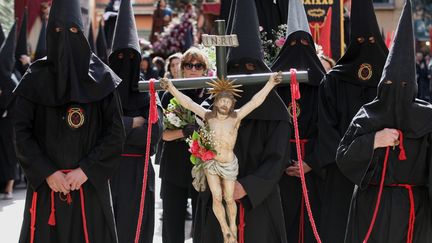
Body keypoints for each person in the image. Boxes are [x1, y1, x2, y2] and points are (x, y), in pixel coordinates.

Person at [13, 0, 125, 242]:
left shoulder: (102, 78)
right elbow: (21, 133)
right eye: (57, 31)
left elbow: (115, 133)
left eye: (73, 31)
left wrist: (85, 170)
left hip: (89, 187)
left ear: (81, 33)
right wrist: (48, 172)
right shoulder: (34, 78)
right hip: (46, 188)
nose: (65, 38)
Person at [193, 0, 291, 242]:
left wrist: (245, 187)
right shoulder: (211, 108)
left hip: (259, 203)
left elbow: (277, 159)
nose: (243, 77)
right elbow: (202, 149)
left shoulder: (276, 112)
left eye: (249, 68)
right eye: (235, 68)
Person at [336, 1, 432, 242]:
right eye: (389, 86)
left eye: (403, 87)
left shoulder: (427, 118)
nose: (395, 92)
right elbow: (343, 157)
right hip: (372, 209)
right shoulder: (367, 115)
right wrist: (373, 141)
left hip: (413, 211)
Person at [161, 69, 282, 243]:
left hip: (229, 164)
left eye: (228, 102)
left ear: (233, 104)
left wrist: (270, 83)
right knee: (217, 197)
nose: (224, 105)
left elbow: (255, 102)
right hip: (212, 164)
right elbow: (188, 104)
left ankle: (232, 226)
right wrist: (171, 88)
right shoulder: (208, 117)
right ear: (216, 102)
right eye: (221, 101)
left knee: (228, 198)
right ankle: (225, 229)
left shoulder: (236, 118)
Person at [318, 0, 389, 242]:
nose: (365, 48)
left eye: (371, 42)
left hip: (381, 171)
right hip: (342, 172)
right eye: (359, 42)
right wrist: (349, 158)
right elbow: (327, 129)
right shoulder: (333, 81)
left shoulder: (389, 81)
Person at [108, 0, 163, 242]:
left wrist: (119, 127)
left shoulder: (148, 91)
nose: (125, 61)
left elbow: (154, 133)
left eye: (131, 56)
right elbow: (101, 131)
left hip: (139, 172)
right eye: (120, 56)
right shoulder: (102, 92)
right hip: (106, 170)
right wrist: (133, 123)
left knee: (137, 231)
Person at [271, 0, 326, 242]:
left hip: (314, 169)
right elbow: (267, 129)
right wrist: (284, 162)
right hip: (280, 168)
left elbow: (331, 130)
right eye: (293, 44)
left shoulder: (325, 88)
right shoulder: (272, 88)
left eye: (305, 43)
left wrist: (311, 162)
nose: (299, 49)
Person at [159, 47, 209, 243]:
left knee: (202, 220)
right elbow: (161, 135)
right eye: (189, 65)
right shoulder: (169, 95)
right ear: (182, 68)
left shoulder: (210, 95)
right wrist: (183, 131)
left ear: (205, 69)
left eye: (198, 65)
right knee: (172, 222)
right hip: (174, 163)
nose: (193, 69)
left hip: (202, 165)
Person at [0, 23, 18, 200]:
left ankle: (10, 186)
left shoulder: (13, 80)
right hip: (2, 120)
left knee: (10, 153)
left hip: (10, 121)